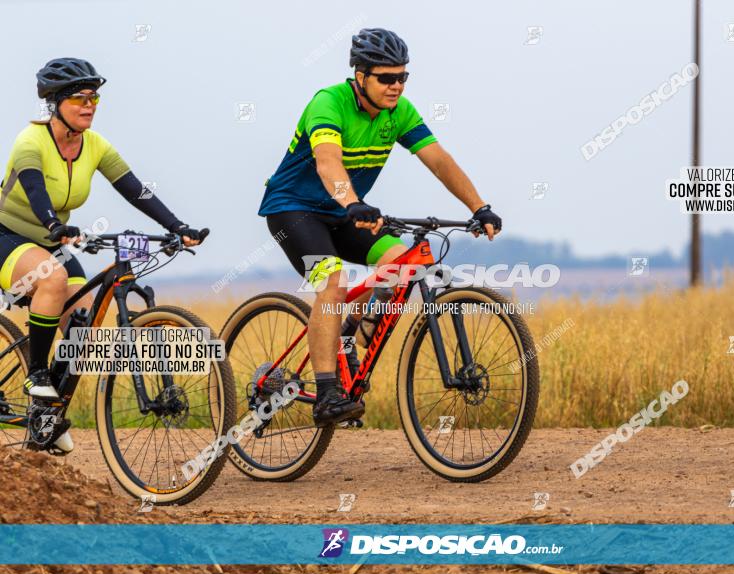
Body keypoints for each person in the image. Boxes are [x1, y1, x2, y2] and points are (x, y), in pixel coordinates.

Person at [258, 28, 502, 426]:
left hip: (345, 213)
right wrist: (352, 201)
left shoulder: (398, 112)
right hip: (293, 211)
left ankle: (348, 335)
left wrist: (480, 206)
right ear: (360, 76)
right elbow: (327, 162)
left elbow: (439, 160)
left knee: (403, 263)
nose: (396, 86)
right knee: (333, 281)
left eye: (403, 77)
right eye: (387, 78)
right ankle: (327, 394)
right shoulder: (328, 103)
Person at [0, 58, 205, 453]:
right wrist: (54, 226)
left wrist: (178, 226)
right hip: (8, 235)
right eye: (80, 97)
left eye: (94, 97)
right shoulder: (31, 141)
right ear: (55, 103)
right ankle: (37, 375)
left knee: (82, 326)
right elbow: (36, 189)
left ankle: (46, 415)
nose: (89, 104)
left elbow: (135, 189)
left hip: (50, 240)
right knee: (53, 279)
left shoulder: (94, 145)